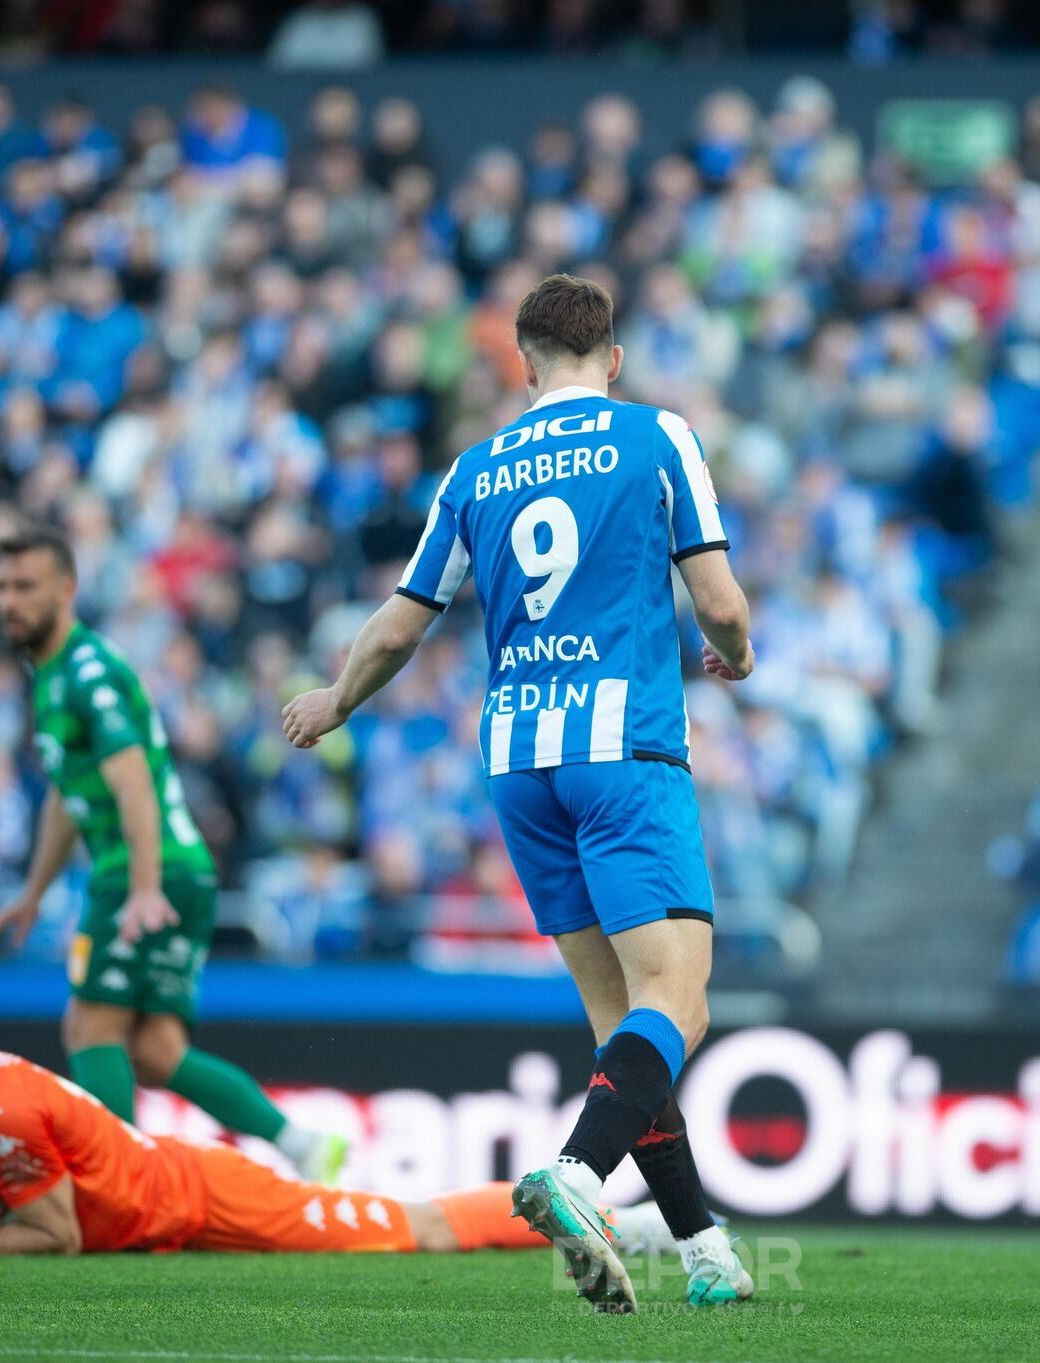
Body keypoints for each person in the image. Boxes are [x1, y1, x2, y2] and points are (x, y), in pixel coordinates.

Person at [281, 273, 754, 1311]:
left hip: (517, 766)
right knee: (677, 1001)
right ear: (611, 359)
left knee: (616, 1023)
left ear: (523, 361)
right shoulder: (654, 435)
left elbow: (404, 622)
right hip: (621, 750)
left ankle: (704, 1245)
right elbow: (715, 598)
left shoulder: (476, 466)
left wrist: (335, 701)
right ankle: (577, 1176)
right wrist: (738, 654)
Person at [0, 529, 347, 1185]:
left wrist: (143, 886)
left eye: (24, 586)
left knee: (90, 1025)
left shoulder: (86, 672)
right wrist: (33, 892)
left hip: (145, 870)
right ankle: (301, 1141)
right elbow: (68, 796)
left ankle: (116, 1185)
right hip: (177, 868)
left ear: (66, 589)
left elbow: (133, 780)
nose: (9, 601)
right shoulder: (54, 676)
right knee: (154, 1049)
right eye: (1, 587)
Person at [0, 964, 670, 1258]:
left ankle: (613, 1219)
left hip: (203, 1196)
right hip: (161, 1200)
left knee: (420, 1228)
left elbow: (60, 1236)